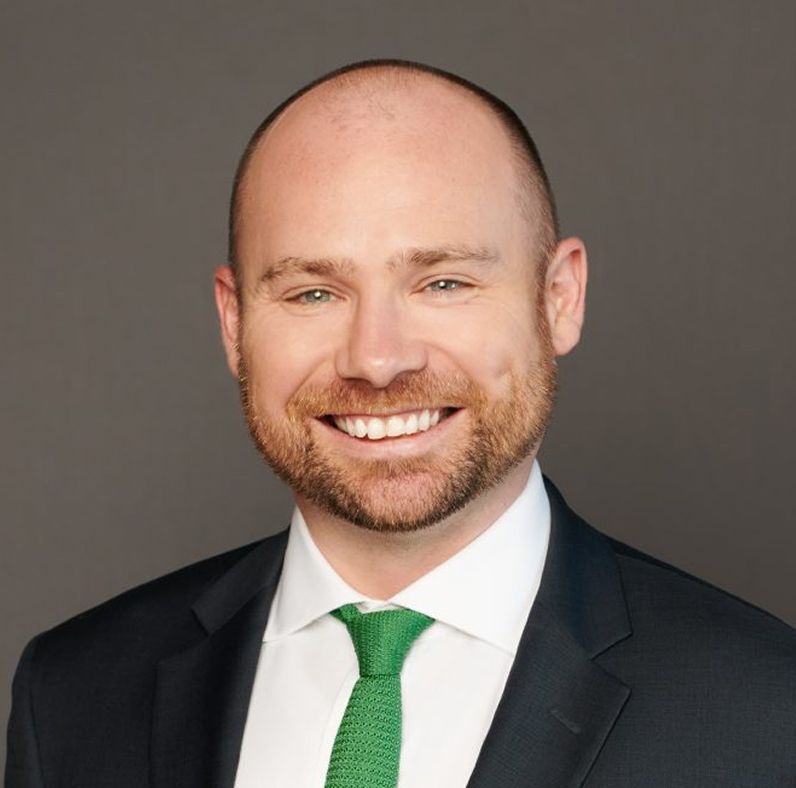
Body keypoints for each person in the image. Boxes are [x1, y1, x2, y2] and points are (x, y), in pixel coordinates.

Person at [5, 59, 795, 788]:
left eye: (443, 282)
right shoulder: (71, 693)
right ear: (234, 322)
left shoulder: (766, 711)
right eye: (313, 292)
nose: (376, 360)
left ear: (560, 298)